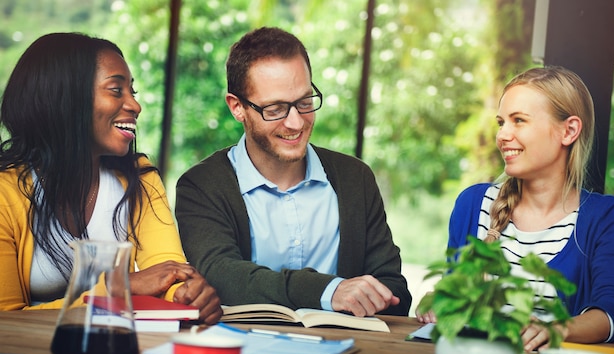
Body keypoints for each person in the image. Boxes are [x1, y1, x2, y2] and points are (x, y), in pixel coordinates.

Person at [175, 27, 411, 317]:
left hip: (347, 350)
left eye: (304, 102)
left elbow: (393, 288)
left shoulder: (355, 178)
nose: (296, 123)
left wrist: (373, 296)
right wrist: (329, 291)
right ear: (237, 107)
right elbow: (221, 277)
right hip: (246, 351)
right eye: (275, 109)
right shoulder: (202, 185)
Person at [0, 32, 222, 324]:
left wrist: (186, 294)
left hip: (114, 348)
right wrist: (116, 288)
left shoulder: (139, 178)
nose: (135, 106)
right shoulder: (6, 192)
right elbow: (5, 320)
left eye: (133, 92)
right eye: (116, 90)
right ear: (65, 98)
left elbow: (167, 270)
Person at [417, 66, 614, 349]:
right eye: (501, 122)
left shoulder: (607, 218)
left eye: (519, 121)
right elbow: (453, 291)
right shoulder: (473, 205)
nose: (503, 135)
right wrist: (439, 303)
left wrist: (554, 329)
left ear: (569, 130)